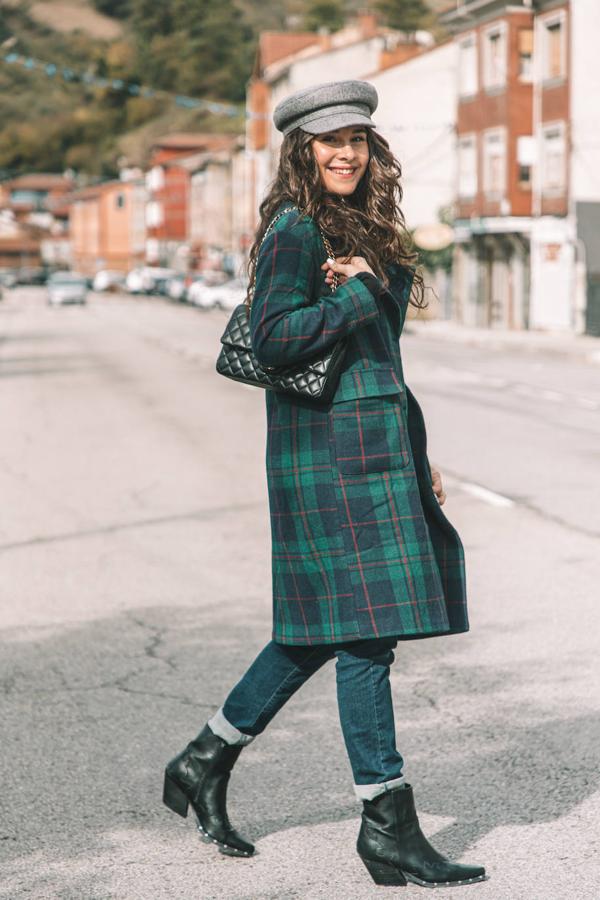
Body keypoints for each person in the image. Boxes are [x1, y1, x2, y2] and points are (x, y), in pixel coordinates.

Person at [163, 80, 486, 889]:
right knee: (366, 639)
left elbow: (382, 361)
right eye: (328, 140)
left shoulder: (362, 229)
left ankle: (204, 759)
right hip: (329, 461)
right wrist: (356, 295)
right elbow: (272, 339)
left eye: (358, 139)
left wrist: (419, 452)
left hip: (373, 453)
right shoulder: (295, 230)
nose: (346, 152)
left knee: (317, 629)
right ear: (301, 150)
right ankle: (387, 823)